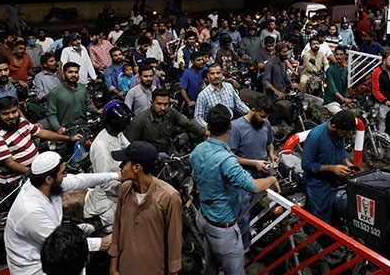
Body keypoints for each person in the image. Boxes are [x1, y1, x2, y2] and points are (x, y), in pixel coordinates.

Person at [191, 105, 280, 275]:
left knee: (211, 264)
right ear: (230, 127)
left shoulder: (198, 150)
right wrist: (271, 179)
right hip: (222, 229)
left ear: (208, 127)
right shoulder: (227, 160)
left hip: (203, 217)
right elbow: (253, 186)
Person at [4, 151, 119, 275]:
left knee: (88, 229)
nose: (65, 176)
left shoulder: (45, 185)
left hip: (51, 242)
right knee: (83, 261)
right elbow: (58, 244)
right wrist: (101, 243)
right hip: (35, 266)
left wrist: (116, 176)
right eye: (63, 173)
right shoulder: (30, 211)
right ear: (49, 179)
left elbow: (81, 180)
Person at [108, 141, 183, 275]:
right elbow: (117, 228)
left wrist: (173, 272)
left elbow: (174, 241)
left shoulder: (168, 197)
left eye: (124, 163)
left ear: (137, 167)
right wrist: (114, 266)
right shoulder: (125, 189)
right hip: (126, 268)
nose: (121, 166)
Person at [0, 96, 81, 194]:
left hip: (34, 172)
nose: (11, 116)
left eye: (14, 112)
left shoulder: (21, 122)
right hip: (16, 180)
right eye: (5, 114)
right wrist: (38, 172)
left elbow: (42, 133)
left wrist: (69, 138)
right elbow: (10, 164)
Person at [227, 96, 277, 248]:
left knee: (270, 206)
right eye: (262, 116)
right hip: (244, 177)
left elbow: (270, 143)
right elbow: (230, 157)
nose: (264, 120)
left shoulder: (266, 123)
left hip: (263, 172)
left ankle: (263, 237)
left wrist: (271, 154)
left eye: (266, 117)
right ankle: (244, 248)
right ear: (253, 110)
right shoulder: (236, 127)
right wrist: (253, 163)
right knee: (243, 215)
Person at [301, 111, 358, 230]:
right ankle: (314, 244)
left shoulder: (340, 134)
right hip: (317, 183)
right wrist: (332, 168)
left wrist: (348, 164)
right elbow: (306, 165)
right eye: (344, 132)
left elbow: (342, 152)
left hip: (335, 180)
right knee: (317, 217)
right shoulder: (316, 137)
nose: (346, 135)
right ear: (333, 126)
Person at [84, 101, 133, 229]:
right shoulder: (101, 147)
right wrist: (127, 187)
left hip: (122, 180)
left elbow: (128, 148)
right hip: (108, 197)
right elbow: (104, 181)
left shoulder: (117, 134)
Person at [126, 88, 207, 155]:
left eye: (166, 104)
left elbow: (187, 123)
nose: (162, 108)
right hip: (147, 155)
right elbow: (130, 146)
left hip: (167, 150)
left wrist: (206, 132)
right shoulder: (139, 121)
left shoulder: (171, 113)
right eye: (159, 104)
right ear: (152, 103)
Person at [46, 62, 100, 135]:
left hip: (83, 128)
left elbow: (87, 105)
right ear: (64, 74)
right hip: (66, 132)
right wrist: (58, 128)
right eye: (70, 72)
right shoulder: (55, 93)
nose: (74, 75)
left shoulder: (82, 88)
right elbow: (51, 115)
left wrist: (97, 111)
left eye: (76, 72)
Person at [179, 51, 207, 116]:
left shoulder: (205, 70)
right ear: (192, 61)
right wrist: (188, 101)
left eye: (202, 60)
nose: (201, 62)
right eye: (198, 60)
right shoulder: (187, 73)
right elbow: (182, 89)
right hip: (194, 103)